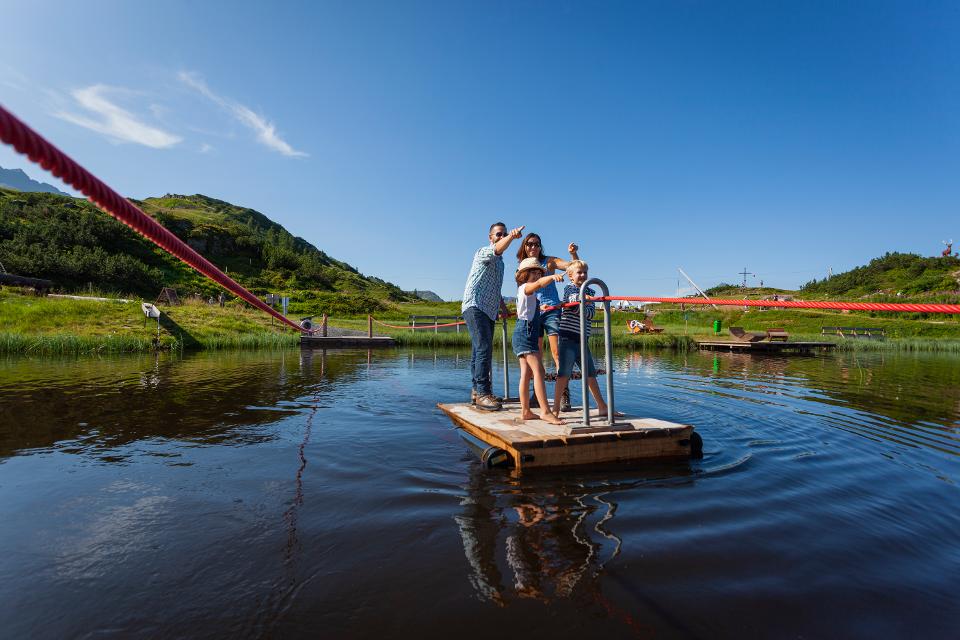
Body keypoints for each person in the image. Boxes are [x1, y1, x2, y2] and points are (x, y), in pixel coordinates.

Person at [462, 222, 524, 411]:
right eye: (498, 234)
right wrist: (512, 237)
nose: (501, 236)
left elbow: (495, 288)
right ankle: (483, 393)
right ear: (491, 237)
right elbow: (497, 249)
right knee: (484, 348)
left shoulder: (502, 263)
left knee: (478, 350)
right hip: (475, 305)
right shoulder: (483, 252)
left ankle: (476, 391)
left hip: (489, 309)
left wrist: (503, 307)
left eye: (504, 233)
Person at [552, 260, 618, 418]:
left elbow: (589, 314)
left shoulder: (590, 292)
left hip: (582, 340)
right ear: (570, 276)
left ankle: (602, 406)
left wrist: (586, 300)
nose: (582, 275)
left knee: (590, 373)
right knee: (563, 374)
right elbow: (574, 303)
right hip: (568, 338)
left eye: (585, 273)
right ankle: (554, 410)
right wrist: (583, 299)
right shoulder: (570, 289)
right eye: (579, 273)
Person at [515, 233, 579, 369]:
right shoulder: (522, 267)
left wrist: (573, 254)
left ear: (540, 247)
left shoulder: (549, 262)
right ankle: (537, 388)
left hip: (552, 310)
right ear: (524, 246)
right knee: (536, 354)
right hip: (533, 313)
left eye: (537, 244)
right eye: (530, 244)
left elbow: (573, 267)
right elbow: (522, 294)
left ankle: (563, 388)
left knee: (557, 352)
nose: (533, 247)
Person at [513, 258, 564, 425]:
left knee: (526, 374)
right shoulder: (526, 288)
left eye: (538, 273)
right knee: (539, 371)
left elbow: (528, 307)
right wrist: (551, 277)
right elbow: (539, 284)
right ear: (525, 274)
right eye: (533, 272)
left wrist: (539, 307)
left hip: (525, 333)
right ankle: (545, 411)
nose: (536, 275)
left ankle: (526, 411)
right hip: (525, 333)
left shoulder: (530, 293)